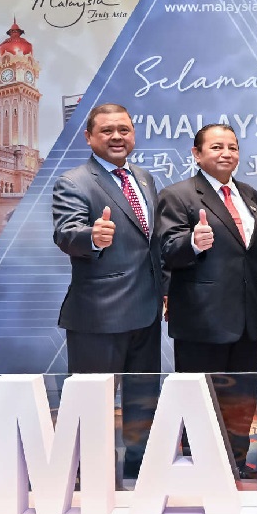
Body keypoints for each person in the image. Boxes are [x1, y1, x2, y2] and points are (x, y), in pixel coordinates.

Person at [52, 103, 163, 481]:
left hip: (146, 311)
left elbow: (150, 244)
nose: (117, 137)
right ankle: (90, 479)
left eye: (124, 130)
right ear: (89, 137)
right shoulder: (74, 181)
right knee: (92, 404)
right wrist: (92, 237)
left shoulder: (144, 178)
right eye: (107, 131)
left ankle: (140, 470)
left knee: (143, 399)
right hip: (98, 315)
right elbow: (66, 233)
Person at [156, 124, 257, 479]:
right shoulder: (178, 195)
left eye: (232, 147)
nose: (226, 153)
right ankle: (201, 466)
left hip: (247, 316)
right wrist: (192, 242)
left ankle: (237, 461)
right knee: (201, 396)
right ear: (197, 154)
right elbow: (167, 250)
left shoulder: (250, 195)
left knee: (242, 395)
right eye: (217, 147)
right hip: (201, 317)